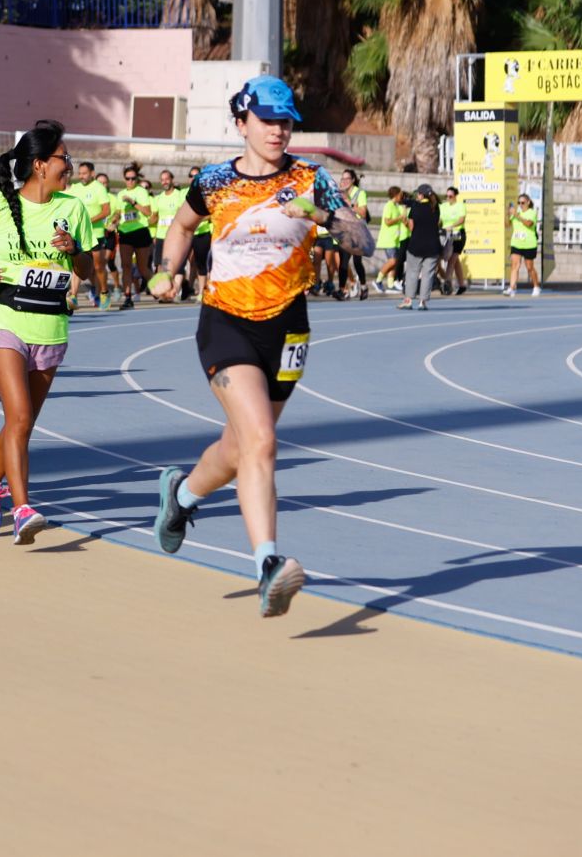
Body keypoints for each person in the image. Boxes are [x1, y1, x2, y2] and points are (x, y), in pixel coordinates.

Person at [151, 75, 341, 618]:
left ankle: (181, 497)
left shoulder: (312, 178)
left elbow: (364, 240)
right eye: (267, 120)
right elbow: (183, 226)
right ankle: (268, 565)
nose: (279, 130)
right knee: (261, 441)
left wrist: (323, 217)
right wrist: (169, 270)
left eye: (286, 121)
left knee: (241, 449)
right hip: (226, 322)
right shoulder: (212, 181)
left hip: (289, 329)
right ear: (242, 123)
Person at [0, 121, 92, 545]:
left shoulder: (74, 209)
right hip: (3, 321)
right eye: (63, 158)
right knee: (18, 416)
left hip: (50, 325)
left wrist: (75, 253)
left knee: (24, 422)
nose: (68, 166)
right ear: (39, 165)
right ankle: (23, 508)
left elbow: (85, 272)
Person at [70, 161, 115, 307]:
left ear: (92, 174)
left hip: (95, 234)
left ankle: (103, 292)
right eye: (80, 173)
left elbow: (106, 211)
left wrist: (88, 220)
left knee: (98, 267)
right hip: (78, 234)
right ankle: (73, 296)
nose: (81, 176)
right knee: (76, 264)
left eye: (85, 173)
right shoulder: (75, 188)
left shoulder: (99, 188)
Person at [112, 164, 154, 310]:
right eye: (128, 179)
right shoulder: (120, 194)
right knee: (126, 266)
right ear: (124, 179)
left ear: (137, 179)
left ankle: (160, 290)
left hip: (140, 231)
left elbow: (148, 212)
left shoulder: (141, 192)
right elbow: (118, 212)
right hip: (125, 232)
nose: (130, 181)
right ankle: (128, 297)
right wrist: (115, 219)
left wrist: (133, 202)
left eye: (133, 178)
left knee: (143, 268)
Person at [400, 184, 441, 311]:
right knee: (427, 274)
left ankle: (408, 300)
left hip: (416, 245)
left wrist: (405, 221)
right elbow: (437, 223)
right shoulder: (436, 207)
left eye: (418, 193)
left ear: (421, 195)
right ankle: (422, 302)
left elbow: (411, 227)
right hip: (433, 245)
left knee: (412, 273)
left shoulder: (415, 207)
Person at [336, 169, 370, 300]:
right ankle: (342, 290)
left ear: (353, 180)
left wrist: (350, 203)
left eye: (347, 179)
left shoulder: (360, 193)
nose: (344, 181)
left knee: (357, 262)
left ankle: (363, 286)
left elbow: (363, 213)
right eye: (342, 179)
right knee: (343, 263)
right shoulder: (339, 194)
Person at [505, 194, 540, 296]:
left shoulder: (532, 212)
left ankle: (536, 286)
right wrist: (507, 214)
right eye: (519, 203)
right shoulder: (516, 212)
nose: (521, 205)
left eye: (523, 203)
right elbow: (507, 225)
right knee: (514, 265)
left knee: (529, 267)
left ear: (528, 202)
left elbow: (528, 223)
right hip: (516, 243)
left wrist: (516, 215)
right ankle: (512, 288)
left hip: (529, 244)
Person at [374, 185, 406, 293]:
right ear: (396, 195)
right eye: (400, 195)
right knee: (393, 261)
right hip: (388, 239)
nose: (401, 197)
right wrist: (399, 218)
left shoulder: (396, 206)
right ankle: (378, 280)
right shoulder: (389, 205)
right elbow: (387, 221)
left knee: (395, 262)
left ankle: (390, 283)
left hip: (395, 239)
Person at [438, 186, 467, 295]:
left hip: (457, 234)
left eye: (451, 196)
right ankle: (462, 285)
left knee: (452, 259)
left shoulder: (460, 206)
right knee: (455, 261)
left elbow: (461, 219)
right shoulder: (443, 206)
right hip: (445, 235)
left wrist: (452, 226)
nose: (448, 198)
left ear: (455, 196)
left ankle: (447, 283)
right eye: (447, 196)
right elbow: (439, 220)